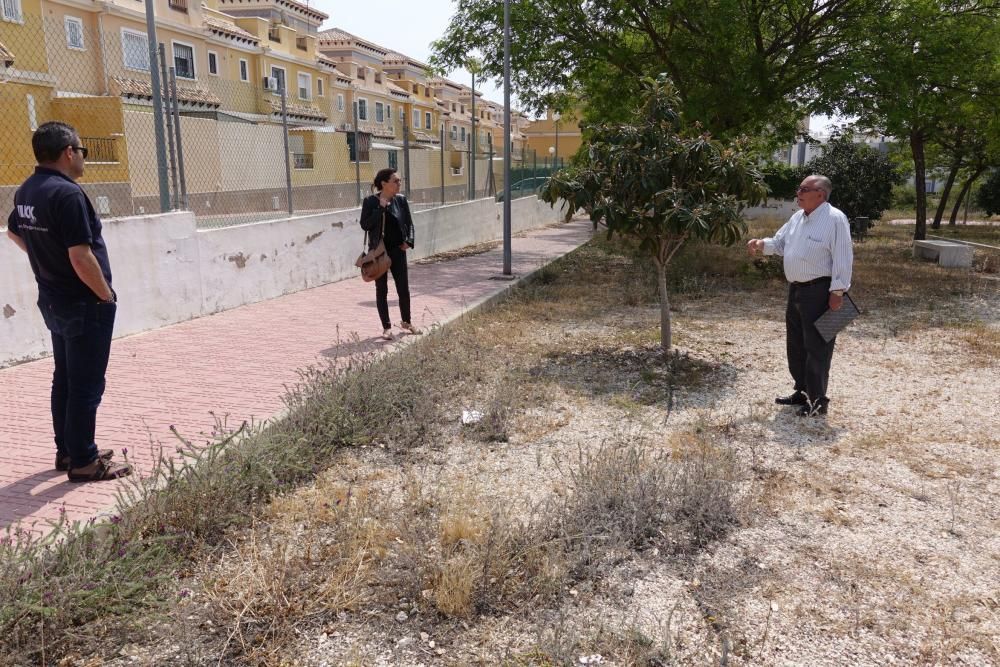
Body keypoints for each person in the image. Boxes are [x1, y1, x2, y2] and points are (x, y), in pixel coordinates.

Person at [6, 121, 132, 481]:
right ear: (68, 152)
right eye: (82, 151)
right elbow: (80, 256)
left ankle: (68, 450)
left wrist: (46, 257)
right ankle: (84, 461)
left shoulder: (28, 190)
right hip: (83, 303)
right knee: (86, 384)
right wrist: (105, 296)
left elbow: (15, 230)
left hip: (53, 299)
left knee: (64, 379)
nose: (83, 158)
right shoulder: (68, 194)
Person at [747, 174, 853, 417]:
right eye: (799, 188)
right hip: (796, 289)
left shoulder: (835, 219)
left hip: (820, 291)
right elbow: (780, 244)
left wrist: (838, 291)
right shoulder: (797, 217)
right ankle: (801, 391)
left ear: (821, 194)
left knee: (817, 347)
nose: (799, 192)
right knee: (796, 344)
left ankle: (817, 401)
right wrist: (761, 244)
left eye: (805, 188)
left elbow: (843, 257)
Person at [359, 168, 420, 340]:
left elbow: (409, 224)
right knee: (382, 289)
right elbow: (365, 224)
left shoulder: (401, 200)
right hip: (379, 253)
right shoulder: (370, 201)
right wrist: (380, 208)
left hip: (398, 251)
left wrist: (409, 241)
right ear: (384, 183)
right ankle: (386, 328)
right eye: (396, 181)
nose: (399, 183)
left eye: (400, 181)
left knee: (403, 289)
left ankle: (407, 322)